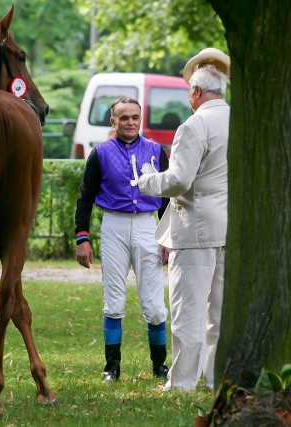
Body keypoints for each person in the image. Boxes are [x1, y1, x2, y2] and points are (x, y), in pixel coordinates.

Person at [136, 48, 230, 391]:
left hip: (194, 227)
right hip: (227, 225)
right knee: (217, 312)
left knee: (187, 310)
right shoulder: (238, 119)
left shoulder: (194, 125)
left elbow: (178, 181)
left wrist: (145, 181)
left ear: (196, 92)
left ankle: (181, 383)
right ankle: (212, 377)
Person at [74, 96, 170, 382]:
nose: (130, 122)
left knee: (154, 306)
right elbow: (85, 198)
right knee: (114, 301)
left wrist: (167, 238)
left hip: (147, 227)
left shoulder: (155, 149)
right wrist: (82, 238)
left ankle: (159, 365)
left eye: (135, 117)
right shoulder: (101, 153)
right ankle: (112, 366)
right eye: (124, 118)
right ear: (113, 121)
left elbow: (167, 198)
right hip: (114, 225)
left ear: (141, 119)